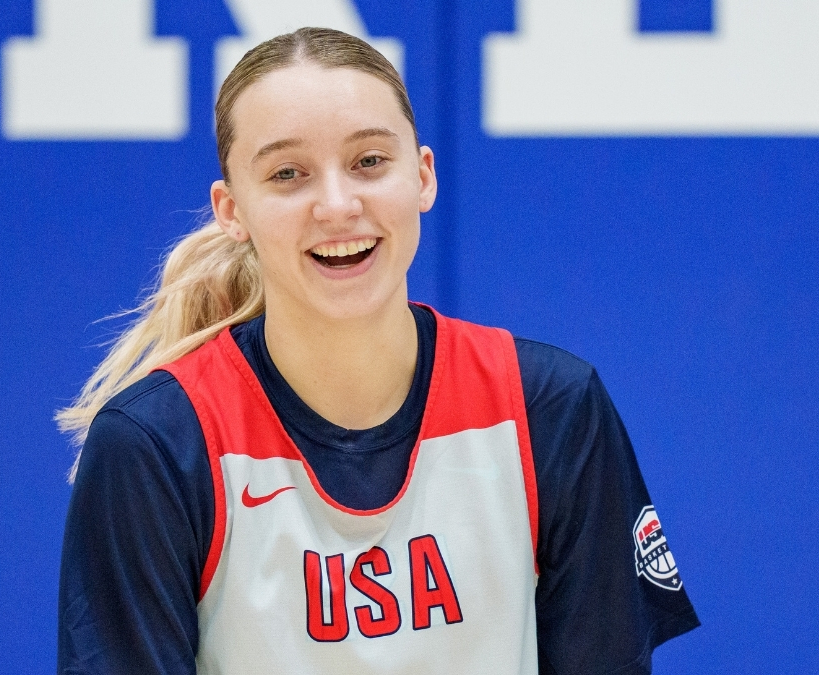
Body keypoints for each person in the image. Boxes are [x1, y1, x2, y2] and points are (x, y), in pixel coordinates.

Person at [55, 27, 698, 675]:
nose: (338, 206)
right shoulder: (156, 444)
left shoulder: (548, 408)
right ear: (232, 209)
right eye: (287, 174)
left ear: (422, 176)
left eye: (369, 161)